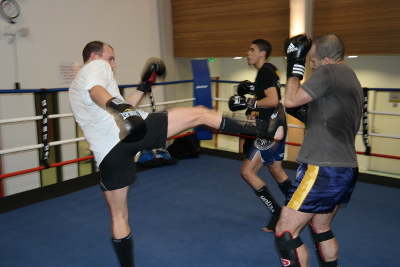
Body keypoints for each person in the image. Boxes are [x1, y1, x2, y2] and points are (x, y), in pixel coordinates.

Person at [68, 41, 284, 267]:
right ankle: (264, 130)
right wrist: (121, 110)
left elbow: (122, 104)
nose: (112, 65)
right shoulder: (95, 67)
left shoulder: (74, 88)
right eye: (110, 58)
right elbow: (97, 93)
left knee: (119, 217)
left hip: (108, 153)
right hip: (130, 132)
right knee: (200, 114)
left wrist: (143, 87)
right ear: (94, 56)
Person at [274, 34, 363, 267]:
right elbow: (329, 116)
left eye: (312, 61)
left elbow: (290, 100)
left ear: (325, 60)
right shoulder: (351, 77)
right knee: (321, 227)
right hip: (346, 168)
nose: (310, 65)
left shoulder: (328, 72)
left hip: (322, 167)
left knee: (285, 231)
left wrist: (294, 64)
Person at [228, 39, 291, 233]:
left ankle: (277, 212)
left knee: (247, 172)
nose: (248, 53)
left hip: (270, 130)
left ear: (262, 53)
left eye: (252, 50)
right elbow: (270, 97)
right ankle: (300, 208)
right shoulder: (270, 70)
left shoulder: (264, 71)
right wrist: (253, 93)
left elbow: (273, 100)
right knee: (276, 169)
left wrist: (249, 102)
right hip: (277, 126)